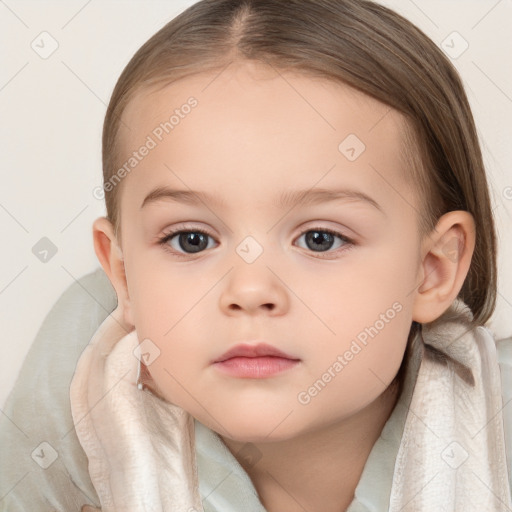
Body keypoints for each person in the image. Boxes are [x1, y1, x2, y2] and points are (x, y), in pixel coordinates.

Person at [1, 0, 511, 511]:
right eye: (191, 240)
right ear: (125, 275)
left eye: (320, 239)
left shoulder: (496, 429)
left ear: (432, 271)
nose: (249, 291)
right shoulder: (80, 394)